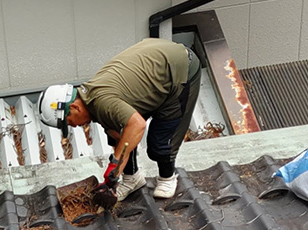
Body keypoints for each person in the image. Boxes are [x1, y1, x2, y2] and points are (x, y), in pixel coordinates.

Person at [37, 38, 201, 201]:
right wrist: (114, 176)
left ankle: (167, 178)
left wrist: (115, 165)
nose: (75, 126)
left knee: (160, 142)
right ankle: (132, 179)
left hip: (180, 67)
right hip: (155, 71)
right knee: (118, 134)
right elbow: (120, 136)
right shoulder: (91, 99)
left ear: (75, 107)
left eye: (70, 122)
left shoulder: (103, 102)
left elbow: (137, 125)